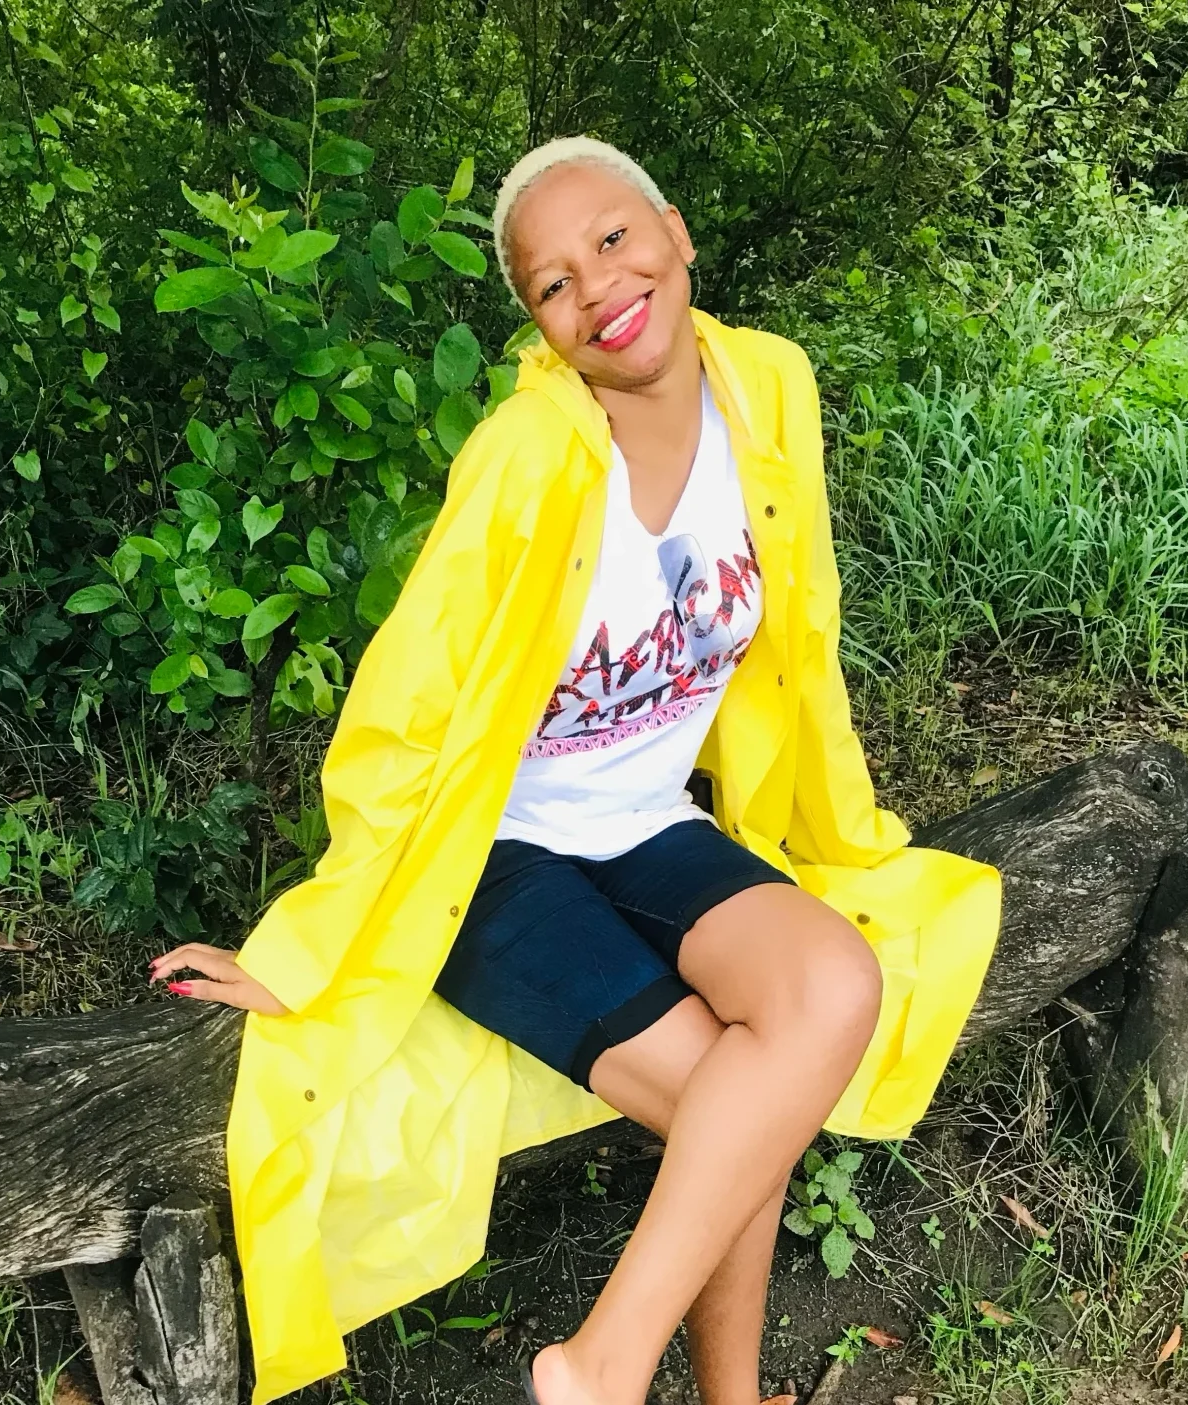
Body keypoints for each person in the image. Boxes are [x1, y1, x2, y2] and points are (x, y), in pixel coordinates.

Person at [149, 137, 1001, 1405]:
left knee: (834, 984)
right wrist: (308, 953)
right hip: (493, 857)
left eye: (612, 238)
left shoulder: (769, 386)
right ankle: (622, 1377)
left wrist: (837, 823)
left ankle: (615, 1374)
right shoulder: (526, 457)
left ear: (674, 230)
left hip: (649, 821)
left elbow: (803, 631)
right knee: (741, 1109)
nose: (598, 286)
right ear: (538, 324)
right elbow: (403, 711)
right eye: (552, 283)